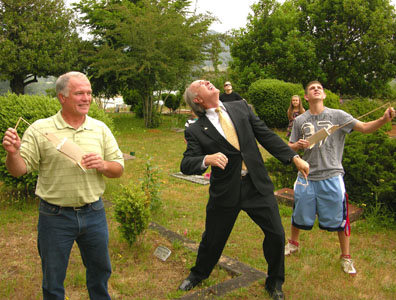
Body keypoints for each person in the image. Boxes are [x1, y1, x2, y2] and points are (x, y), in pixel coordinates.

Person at [178, 80, 309, 300]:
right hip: (226, 191)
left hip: (256, 185)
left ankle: (274, 283)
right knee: (213, 239)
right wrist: (206, 159)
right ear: (197, 99)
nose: (207, 81)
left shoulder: (240, 107)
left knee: (276, 235)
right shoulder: (196, 129)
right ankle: (198, 274)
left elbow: (265, 135)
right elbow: (186, 163)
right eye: (201, 83)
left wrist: (294, 157)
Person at [2, 71, 124, 299]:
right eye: (79, 93)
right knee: (53, 278)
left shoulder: (100, 128)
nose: (86, 98)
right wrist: (13, 153)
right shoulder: (40, 128)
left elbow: (118, 169)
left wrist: (104, 165)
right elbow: (18, 170)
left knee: (100, 272)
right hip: (54, 217)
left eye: (89, 93)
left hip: (94, 212)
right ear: (62, 97)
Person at [286, 80, 395, 276]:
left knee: (341, 218)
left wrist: (383, 120)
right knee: (299, 210)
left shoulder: (338, 115)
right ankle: (293, 244)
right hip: (306, 176)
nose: (317, 89)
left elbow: (364, 127)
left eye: (320, 87)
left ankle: (346, 257)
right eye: (312, 88)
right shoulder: (300, 120)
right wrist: (297, 146)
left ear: (324, 95)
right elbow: (289, 146)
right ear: (307, 97)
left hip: (332, 175)